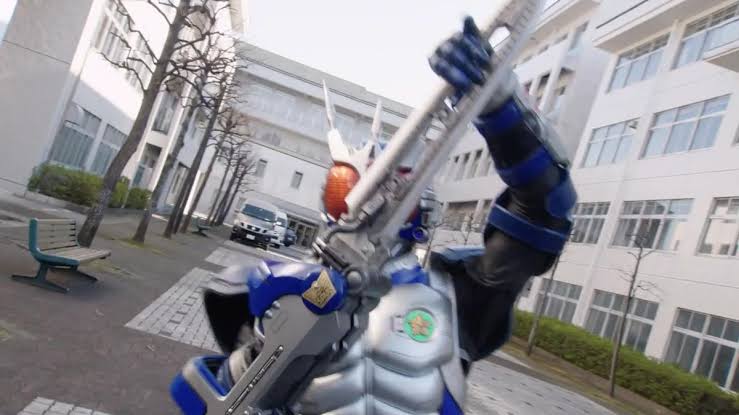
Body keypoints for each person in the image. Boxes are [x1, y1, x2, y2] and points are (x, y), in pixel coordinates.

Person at [172, 16, 576, 415]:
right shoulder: (287, 288)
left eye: (390, 193)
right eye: (348, 190)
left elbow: (546, 207)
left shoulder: (461, 296)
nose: (366, 210)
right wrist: (275, 328)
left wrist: (501, 108)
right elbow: (221, 397)